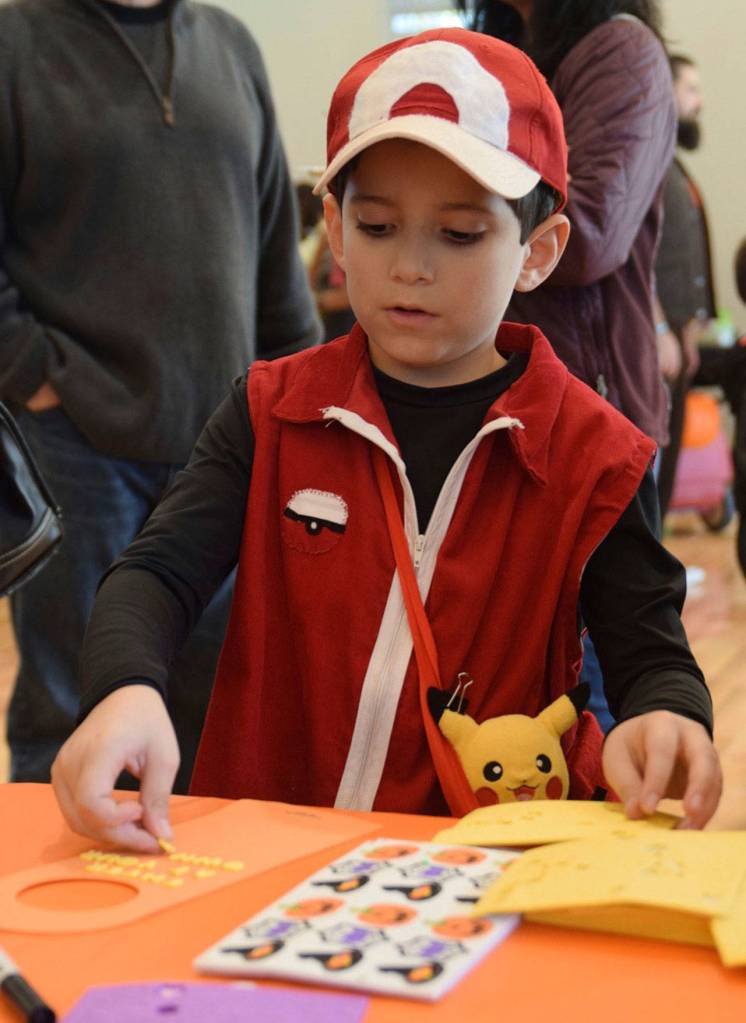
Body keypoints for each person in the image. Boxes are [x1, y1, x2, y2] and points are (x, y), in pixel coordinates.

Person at [50, 28, 720, 852]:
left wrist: (667, 715)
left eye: (460, 234)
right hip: (266, 860)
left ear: (538, 251)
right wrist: (123, 688)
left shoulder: (595, 455)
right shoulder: (272, 410)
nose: (411, 266)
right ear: (334, 228)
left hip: (475, 872)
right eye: (376, 226)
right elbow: (155, 574)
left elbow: (651, 653)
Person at [0, 0, 320, 792]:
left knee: (215, 713)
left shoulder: (231, 44)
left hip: (225, 447)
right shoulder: (13, 41)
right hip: (75, 448)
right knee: (73, 714)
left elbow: (277, 253)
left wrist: (304, 390)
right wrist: (35, 374)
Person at [462, 1, 676, 735]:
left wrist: (453, 190)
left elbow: (588, 236)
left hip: (588, 412)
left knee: (589, 691)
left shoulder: (622, 52)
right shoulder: (506, 44)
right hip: (499, 401)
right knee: (505, 683)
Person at [654, 55, 746, 579]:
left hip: (677, 337)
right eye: (691, 89)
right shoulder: (649, 162)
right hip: (656, 340)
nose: (700, 101)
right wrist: (661, 327)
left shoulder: (673, 164)